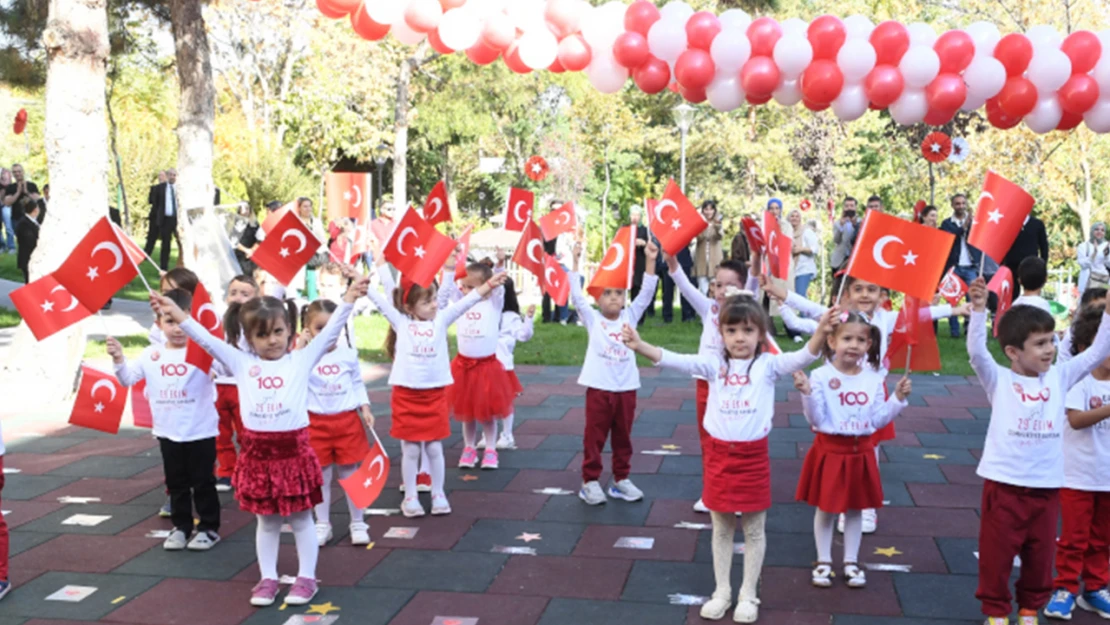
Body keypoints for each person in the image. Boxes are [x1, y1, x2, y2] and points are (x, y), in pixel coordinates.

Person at [621, 291, 837, 623]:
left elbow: (803, 356)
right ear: (720, 333)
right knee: (720, 527)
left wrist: (822, 329)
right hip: (719, 457)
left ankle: (748, 593)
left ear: (761, 334)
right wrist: (639, 345)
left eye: (748, 330)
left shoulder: (768, 365)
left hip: (753, 458)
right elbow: (675, 359)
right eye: (732, 330)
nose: (740, 337)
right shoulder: (713, 364)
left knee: (753, 529)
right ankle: (722, 591)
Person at [156, 272, 369, 607]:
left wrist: (350, 297)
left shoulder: (301, 359)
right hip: (258, 456)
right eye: (262, 334)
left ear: (291, 333)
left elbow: (332, 327)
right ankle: (267, 578)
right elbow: (206, 340)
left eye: (279, 332)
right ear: (248, 338)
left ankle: (307, 578)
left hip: (294, 452)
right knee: (267, 522)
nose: (272, 340)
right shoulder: (241, 362)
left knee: (301, 519)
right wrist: (180, 314)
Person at [763, 273, 961, 534]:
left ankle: (865, 508)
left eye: (872, 289)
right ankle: (837, 500)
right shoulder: (836, 316)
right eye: (859, 289)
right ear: (848, 294)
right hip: (838, 392)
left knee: (871, 446)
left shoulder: (885, 319)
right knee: (836, 445)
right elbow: (807, 308)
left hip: (869, 390)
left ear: (882, 296)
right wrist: (781, 293)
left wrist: (957, 308)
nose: (865, 295)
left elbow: (920, 315)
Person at [967, 276, 1110, 625]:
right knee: (996, 557)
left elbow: (1096, 352)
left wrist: (1108, 310)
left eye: (1051, 341)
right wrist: (975, 310)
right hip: (1004, 486)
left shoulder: (1060, 377)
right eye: (1040, 344)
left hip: (1046, 489)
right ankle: (997, 612)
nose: (1050, 349)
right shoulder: (1000, 380)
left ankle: (1029, 609)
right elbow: (976, 353)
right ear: (1014, 352)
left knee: (1039, 555)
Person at [366, 266, 506, 518]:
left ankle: (438, 493)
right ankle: (410, 497)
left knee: (433, 448)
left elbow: (469, 300)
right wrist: (361, 281)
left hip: (434, 395)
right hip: (407, 396)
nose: (433, 305)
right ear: (409, 308)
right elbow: (379, 300)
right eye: (426, 301)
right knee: (410, 449)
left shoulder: (441, 318)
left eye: (434, 299)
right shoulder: (401, 322)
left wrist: (490, 284)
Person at [794, 312, 911, 590]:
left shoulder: (873, 379)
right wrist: (807, 393)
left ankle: (851, 561)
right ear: (832, 341)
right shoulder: (820, 375)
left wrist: (897, 399)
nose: (854, 345)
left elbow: (878, 420)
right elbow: (816, 420)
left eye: (861, 339)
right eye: (847, 338)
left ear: (869, 345)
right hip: (830, 451)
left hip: (861, 453)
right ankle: (823, 560)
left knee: (856, 509)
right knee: (826, 508)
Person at [109, 288, 222, 552]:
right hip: (168, 432)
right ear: (158, 323)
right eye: (170, 322)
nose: (177, 329)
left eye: (182, 321)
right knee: (176, 483)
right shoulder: (151, 354)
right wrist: (118, 359)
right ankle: (181, 526)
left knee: (203, 482)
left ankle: (208, 527)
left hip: (200, 431)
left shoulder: (202, 351)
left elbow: (227, 369)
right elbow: (127, 379)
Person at [664, 251, 757, 512]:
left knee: (736, 440)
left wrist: (758, 258)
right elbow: (684, 285)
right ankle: (712, 491)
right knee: (709, 439)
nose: (721, 290)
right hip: (707, 385)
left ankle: (737, 493)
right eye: (717, 284)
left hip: (738, 388)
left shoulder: (748, 312)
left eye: (730, 285)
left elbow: (755, 279)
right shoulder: (710, 310)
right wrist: (671, 261)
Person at [570, 240, 658, 505]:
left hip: (626, 389)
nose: (613, 298)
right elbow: (575, 296)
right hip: (599, 388)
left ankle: (621, 480)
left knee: (623, 437)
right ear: (598, 298)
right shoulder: (593, 319)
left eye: (618, 293)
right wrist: (575, 260)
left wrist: (651, 260)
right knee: (594, 437)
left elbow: (646, 294)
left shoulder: (630, 316)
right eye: (607, 293)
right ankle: (590, 482)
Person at [1043, 307, 1110, 620]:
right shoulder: (1078, 381)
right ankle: (1065, 587)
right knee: (1073, 537)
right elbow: (1077, 419)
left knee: (1102, 537)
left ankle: (1095, 587)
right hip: (1077, 476)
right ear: (1087, 348)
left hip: (1106, 478)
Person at [299, 300, 374, 547]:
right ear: (307, 330)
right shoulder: (303, 357)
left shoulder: (348, 354)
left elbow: (356, 383)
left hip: (347, 422)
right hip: (316, 424)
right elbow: (292, 375)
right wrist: (301, 345)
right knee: (321, 476)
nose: (328, 334)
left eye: (334, 327)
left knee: (350, 473)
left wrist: (365, 407)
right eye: (320, 328)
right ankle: (322, 524)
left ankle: (358, 521)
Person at [441, 262, 513, 471]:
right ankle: (469, 448)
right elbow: (448, 289)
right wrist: (450, 266)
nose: (466, 291)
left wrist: (499, 267)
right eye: (464, 286)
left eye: (471, 287)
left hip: (486, 368)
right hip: (463, 367)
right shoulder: (459, 303)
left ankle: (490, 448)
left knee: (488, 413)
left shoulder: (493, 303)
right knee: (467, 412)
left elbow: (499, 288)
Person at [213, 274, 260, 492]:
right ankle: (226, 470)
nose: (238, 298)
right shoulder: (217, 322)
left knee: (245, 431)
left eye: (244, 294)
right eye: (233, 293)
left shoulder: (255, 325)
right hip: (218, 385)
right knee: (219, 431)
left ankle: (249, 469)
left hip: (243, 387)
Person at [491, 277, 534, 451]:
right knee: (487, 401)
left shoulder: (511, 317)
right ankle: (489, 435)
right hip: (486, 362)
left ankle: (507, 435)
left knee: (504, 402)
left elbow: (524, 336)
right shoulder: (489, 312)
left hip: (502, 365)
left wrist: (529, 319)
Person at [941, 194, 982, 338]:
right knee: (952, 299)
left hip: (970, 266)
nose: (961, 206)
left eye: (963, 203)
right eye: (957, 204)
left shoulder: (973, 222)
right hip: (954, 267)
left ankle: (970, 329)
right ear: (952, 206)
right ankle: (954, 331)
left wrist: (970, 224)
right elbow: (951, 238)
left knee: (973, 298)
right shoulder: (947, 224)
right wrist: (963, 226)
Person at [1004, 211, 1050, 299]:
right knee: (1012, 295)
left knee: (1032, 293)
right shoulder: (1009, 223)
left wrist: (1043, 265)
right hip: (1012, 266)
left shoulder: (1037, 224)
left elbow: (1044, 246)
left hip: (1031, 267)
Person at [144, 168, 179, 270]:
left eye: (174, 175)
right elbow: (154, 204)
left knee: (182, 243)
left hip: (177, 220)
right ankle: (164, 268)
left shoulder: (181, 189)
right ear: (167, 176)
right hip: (165, 220)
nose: (172, 177)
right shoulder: (160, 188)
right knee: (165, 244)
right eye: (170, 175)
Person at [630, 206, 655, 324]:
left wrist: (643, 243)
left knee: (640, 288)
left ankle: (641, 318)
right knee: (631, 288)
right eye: (633, 215)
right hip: (629, 264)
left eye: (637, 215)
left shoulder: (645, 230)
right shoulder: (626, 229)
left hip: (641, 263)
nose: (635, 217)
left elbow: (651, 245)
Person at [694, 200, 725, 295]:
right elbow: (698, 238)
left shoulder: (718, 223)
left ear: (714, 211)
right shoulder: (698, 223)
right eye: (706, 209)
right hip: (701, 261)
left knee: (716, 289)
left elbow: (719, 236)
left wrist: (717, 226)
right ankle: (704, 309)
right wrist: (702, 226)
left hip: (715, 261)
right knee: (703, 290)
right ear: (702, 211)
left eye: (711, 209)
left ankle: (717, 309)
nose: (708, 212)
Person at [790, 210, 819, 300]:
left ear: (800, 219)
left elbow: (815, 249)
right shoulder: (788, 233)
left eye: (797, 216)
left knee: (800, 296)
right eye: (792, 216)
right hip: (792, 269)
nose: (794, 218)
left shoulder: (806, 231)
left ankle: (805, 314)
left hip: (804, 269)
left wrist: (801, 249)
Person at [1077, 222, 1110, 294]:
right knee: (1086, 303)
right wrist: (1094, 254)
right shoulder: (1083, 246)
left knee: (1103, 302)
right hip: (1087, 282)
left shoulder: (1107, 246)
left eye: (1102, 230)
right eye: (1097, 229)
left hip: (1103, 281)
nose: (1099, 232)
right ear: (1092, 231)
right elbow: (1082, 264)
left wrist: (1106, 255)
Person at [831, 198, 859, 273]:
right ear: (843, 208)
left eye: (851, 206)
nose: (849, 208)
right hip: (839, 260)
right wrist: (841, 226)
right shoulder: (837, 223)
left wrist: (855, 226)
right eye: (847, 206)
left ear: (856, 208)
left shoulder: (861, 222)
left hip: (855, 259)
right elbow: (836, 240)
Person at [15, 201, 39, 283]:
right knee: (29, 281)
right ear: (35, 210)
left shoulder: (34, 222)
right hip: (27, 257)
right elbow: (30, 240)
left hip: (34, 257)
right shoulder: (24, 224)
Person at [0, 168, 11, 254]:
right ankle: (2, 247)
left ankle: (11, 247)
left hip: (5, 204)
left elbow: (7, 184)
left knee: (8, 226)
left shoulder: (5, 171)